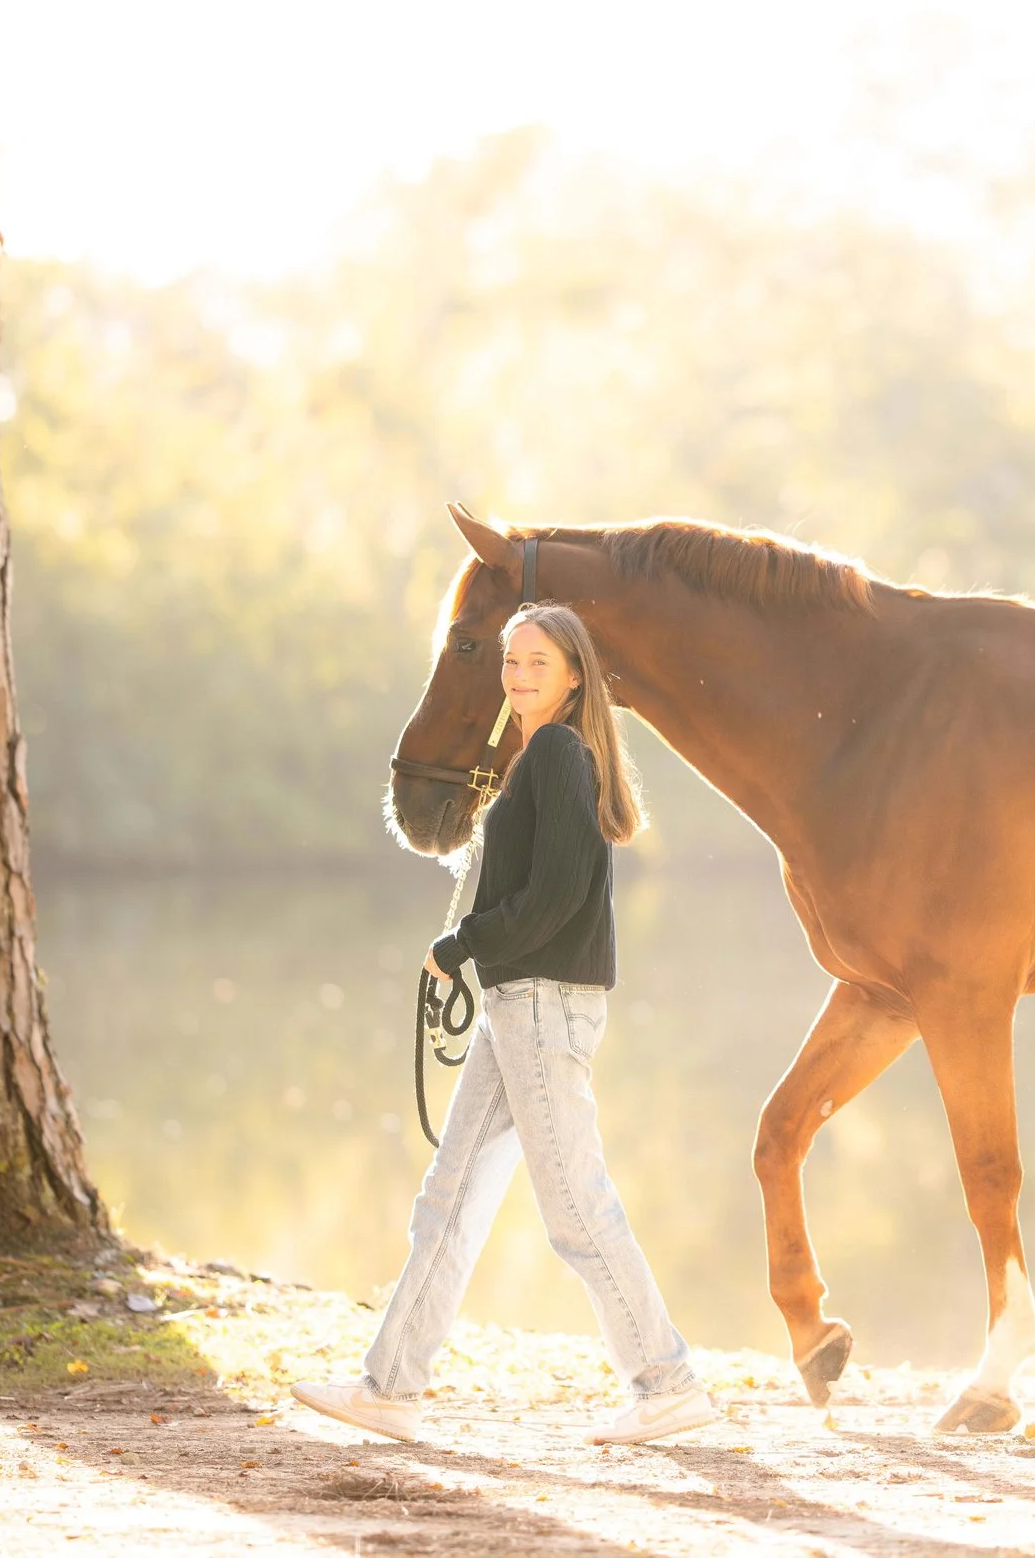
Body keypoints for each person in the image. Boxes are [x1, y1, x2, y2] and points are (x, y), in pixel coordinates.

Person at [293, 604, 720, 1446]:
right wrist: (478, 956)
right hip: (515, 1003)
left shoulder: (559, 751)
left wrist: (461, 943)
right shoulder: (541, 756)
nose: (519, 675)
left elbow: (556, 895)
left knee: (572, 1203)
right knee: (448, 1199)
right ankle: (389, 1387)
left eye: (538, 662)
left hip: (543, 1002)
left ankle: (667, 1382)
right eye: (511, 662)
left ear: (572, 675)